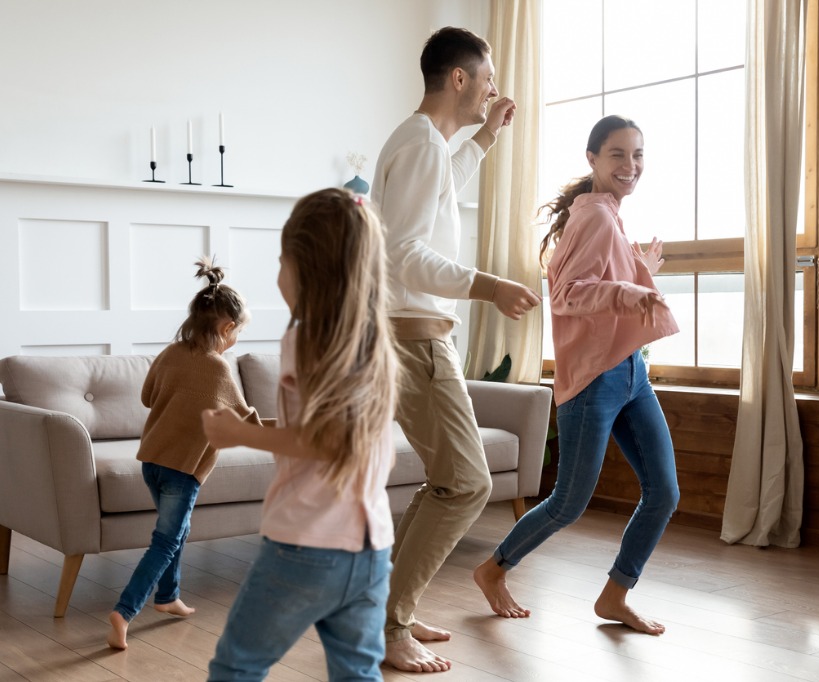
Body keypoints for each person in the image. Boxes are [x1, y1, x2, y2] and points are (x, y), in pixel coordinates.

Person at [370, 26, 541, 673]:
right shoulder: (419, 145)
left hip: (414, 337)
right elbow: (404, 253)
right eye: (488, 79)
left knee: (449, 480)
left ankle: (390, 612)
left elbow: (440, 184)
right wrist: (487, 285)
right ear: (461, 79)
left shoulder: (425, 147)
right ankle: (388, 627)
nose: (494, 88)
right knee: (467, 484)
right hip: (416, 341)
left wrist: (489, 137)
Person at [473, 115, 681, 635]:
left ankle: (615, 595)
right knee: (568, 501)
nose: (630, 166)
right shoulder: (593, 215)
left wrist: (642, 272)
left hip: (630, 373)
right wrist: (631, 291)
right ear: (592, 159)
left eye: (637, 155)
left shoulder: (606, 212)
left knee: (664, 492)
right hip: (594, 381)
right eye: (617, 154)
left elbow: (603, 280)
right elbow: (567, 294)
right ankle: (492, 569)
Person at [202, 188, 399, 681]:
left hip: (307, 543)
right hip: (370, 548)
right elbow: (332, 432)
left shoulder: (307, 336)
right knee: (358, 673)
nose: (278, 275)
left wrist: (236, 434)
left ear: (306, 266)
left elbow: (326, 442)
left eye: (281, 261)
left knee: (236, 667)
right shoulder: (374, 340)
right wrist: (259, 428)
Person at [107, 257, 260, 650]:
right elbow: (246, 422)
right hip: (183, 469)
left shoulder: (171, 352)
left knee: (176, 531)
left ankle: (167, 597)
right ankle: (124, 611)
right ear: (228, 328)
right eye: (238, 332)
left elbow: (146, 397)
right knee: (166, 540)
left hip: (152, 460)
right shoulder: (220, 370)